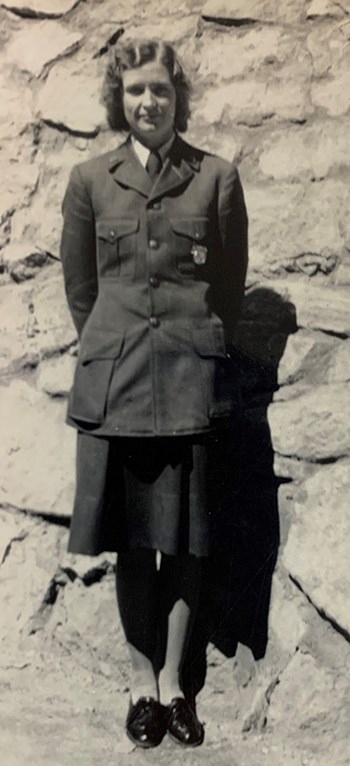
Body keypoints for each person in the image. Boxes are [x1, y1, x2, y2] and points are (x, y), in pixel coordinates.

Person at [60, 37, 248, 749]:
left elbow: (227, 292)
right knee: (134, 546)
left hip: (191, 383)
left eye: (161, 91)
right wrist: (119, 347)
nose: (149, 102)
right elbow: (83, 291)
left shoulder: (216, 178)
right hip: (120, 389)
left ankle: (176, 686)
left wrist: (188, 345)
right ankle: (140, 681)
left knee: (188, 546)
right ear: (120, 99)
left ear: (178, 98)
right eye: (136, 90)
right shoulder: (89, 180)